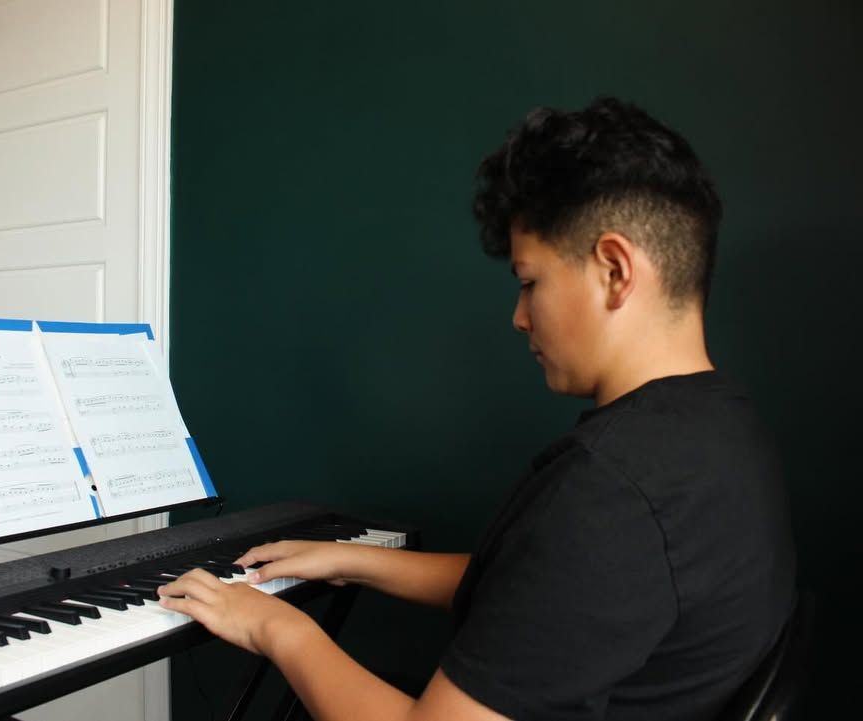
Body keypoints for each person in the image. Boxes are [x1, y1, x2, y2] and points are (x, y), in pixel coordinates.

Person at [158, 97, 797, 721]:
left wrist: (276, 629)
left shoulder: (615, 490)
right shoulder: (720, 430)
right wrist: (353, 559)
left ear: (614, 270)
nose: (519, 317)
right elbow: (547, 593)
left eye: (529, 283)